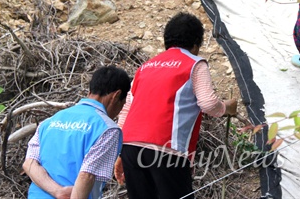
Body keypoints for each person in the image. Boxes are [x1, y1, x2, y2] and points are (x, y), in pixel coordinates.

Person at [114, 12, 237, 199]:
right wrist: (227, 107)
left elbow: (125, 110)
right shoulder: (195, 64)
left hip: (131, 147)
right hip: (166, 149)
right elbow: (208, 103)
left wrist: (121, 151)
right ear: (196, 45)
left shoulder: (146, 67)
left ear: (167, 41)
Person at [23, 66, 131, 198]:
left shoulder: (49, 121)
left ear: (90, 90)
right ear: (116, 96)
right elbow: (87, 175)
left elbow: (29, 164)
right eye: (123, 104)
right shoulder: (108, 130)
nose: (119, 111)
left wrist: (57, 191)